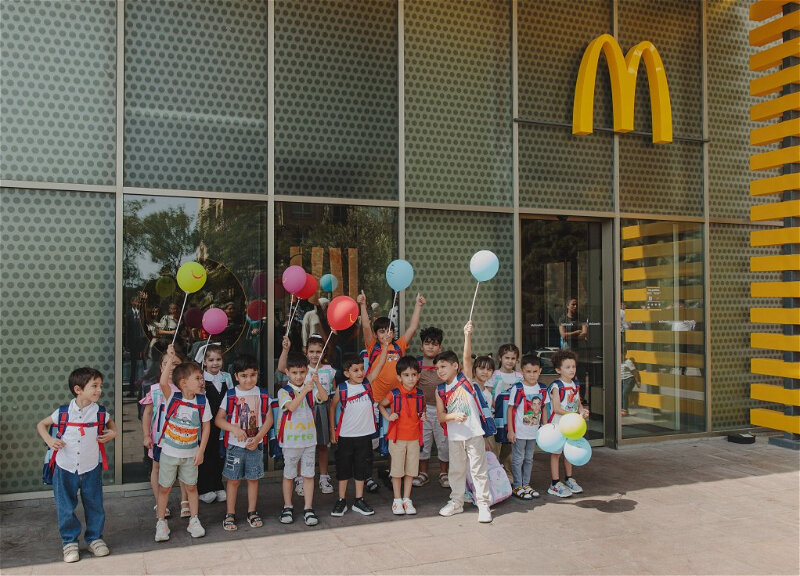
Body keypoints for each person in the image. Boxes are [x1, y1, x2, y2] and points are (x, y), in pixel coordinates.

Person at [37, 367, 117, 563]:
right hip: (65, 467)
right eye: (94, 386)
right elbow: (41, 424)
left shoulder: (100, 412)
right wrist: (49, 440)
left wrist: (113, 434)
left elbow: (112, 427)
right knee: (65, 506)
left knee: (94, 504)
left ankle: (95, 538)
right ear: (78, 389)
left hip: (91, 467)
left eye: (100, 386)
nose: (99, 390)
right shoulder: (63, 412)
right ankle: (69, 542)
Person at [154, 345, 211, 542]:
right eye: (198, 378)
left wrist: (201, 450)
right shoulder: (173, 397)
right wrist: (169, 358)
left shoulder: (202, 402)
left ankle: (194, 520)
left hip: (190, 454)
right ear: (183, 383)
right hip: (169, 453)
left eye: (201, 378)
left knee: (192, 487)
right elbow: (163, 382)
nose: (201, 381)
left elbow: (206, 428)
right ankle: (161, 522)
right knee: (164, 488)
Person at [215, 354, 273, 531]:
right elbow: (219, 420)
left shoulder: (262, 394)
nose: (249, 380)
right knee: (233, 480)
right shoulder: (231, 395)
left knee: (253, 479)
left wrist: (257, 438)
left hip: (255, 446)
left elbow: (269, 420)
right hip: (235, 446)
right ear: (236, 377)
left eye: (253, 375)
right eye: (244, 376)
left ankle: (252, 511)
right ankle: (230, 513)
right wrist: (234, 429)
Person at [434, 350, 492, 523]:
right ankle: (457, 502)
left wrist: (467, 335)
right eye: (437, 368)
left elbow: (467, 357)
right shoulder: (440, 389)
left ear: (455, 366)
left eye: (443, 366)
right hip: (455, 437)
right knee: (456, 471)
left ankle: (483, 505)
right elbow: (440, 416)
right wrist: (453, 416)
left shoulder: (464, 380)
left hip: (474, 433)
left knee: (478, 471)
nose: (440, 371)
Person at [279, 334, 337, 497]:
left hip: (322, 409)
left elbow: (329, 393)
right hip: (305, 410)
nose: (315, 355)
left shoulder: (329, 370)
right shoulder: (303, 369)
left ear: (324, 352)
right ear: (306, 352)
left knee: (322, 445)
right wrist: (286, 349)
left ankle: (324, 477)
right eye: (311, 351)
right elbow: (282, 367)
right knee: (301, 447)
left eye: (318, 351)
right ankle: (299, 479)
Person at [277, 354, 329, 526]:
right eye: (294, 373)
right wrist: (305, 390)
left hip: (309, 441)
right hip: (291, 442)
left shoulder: (310, 388)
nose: (298, 376)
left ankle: (308, 508)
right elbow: (291, 407)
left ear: (307, 371)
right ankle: (288, 506)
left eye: (301, 372)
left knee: (308, 475)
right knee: (289, 475)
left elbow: (324, 397)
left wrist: (317, 383)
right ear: (287, 373)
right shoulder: (284, 391)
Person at [139, 354, 189, 519]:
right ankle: (161, 502)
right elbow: (147, 414)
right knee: (157, 468)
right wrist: (146, 435)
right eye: (167, 363)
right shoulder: (155, 390)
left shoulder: (186, 389)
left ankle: (185, 501)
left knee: (183, 469)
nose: (171, 367)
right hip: (159, 438)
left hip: (181, 438)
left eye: (175, 363)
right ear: (161, 367)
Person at [328, 354, 378, 517]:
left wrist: (385, 347)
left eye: (362, 369)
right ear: (347, 373)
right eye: (355, 370)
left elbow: (379, 366)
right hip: (345, 436)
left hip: (364, 436)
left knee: (361, 468)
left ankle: (359, 499)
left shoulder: (367, 384)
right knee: (343, 469)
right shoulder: (342, 388)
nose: (360, 373)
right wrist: (332, 429)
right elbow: (332, 407)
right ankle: (341, 500)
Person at [379, 356, 426, 515]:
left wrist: (423, 415)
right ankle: (397, 500)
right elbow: (381, 405)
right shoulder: (394, 393)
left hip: (414, 438)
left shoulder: (420, 394)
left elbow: (421, 410)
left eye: (414, 374)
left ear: (418, 375)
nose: (411, 378)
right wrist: (388, 416)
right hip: (397, 438)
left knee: (411, 471)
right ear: (399, 377)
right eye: (406, 375)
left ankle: (407, 499)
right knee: (397, 471)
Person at [547, 349, 589, 498]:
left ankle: (569, 479)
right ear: (558, 369)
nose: (572, 370)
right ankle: (555, 483)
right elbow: (557, 408)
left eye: (573, 366)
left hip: (572, 425)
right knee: (556, 453)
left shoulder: (575, 384)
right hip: (558, 425)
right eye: (567, 367)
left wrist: (582, 411)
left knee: (569, 453)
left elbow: (578, 403)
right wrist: (574, 415)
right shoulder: (556, 386)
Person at [506, 355, 549, 499]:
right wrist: (511, 430)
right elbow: (510, 409)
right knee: (518, 459)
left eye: (535, 371)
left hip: (533, 432)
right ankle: (517, 486)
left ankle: (526, 484)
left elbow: (543, 408)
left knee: (529, 458)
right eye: (528, 371)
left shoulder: (542, 389)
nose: (532, 375)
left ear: (540, 371)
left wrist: (545, 427)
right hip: (519, 432)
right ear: (522, 371)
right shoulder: (518, 388)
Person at [414, 326, 449, 489]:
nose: (430, 347)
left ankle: (444, 473)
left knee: (443, 443)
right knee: (424, 442)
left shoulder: (443, 364)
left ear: (440, 347)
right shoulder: (417, 364)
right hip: (423, 411)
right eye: (427, 343)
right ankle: (423, 473)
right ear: (421, 346)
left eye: (434, 344)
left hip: (443, 410)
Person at [197, 345, 234, 504]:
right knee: (206, 454)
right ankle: (204, 488)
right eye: (211, 360)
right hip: (206, 423)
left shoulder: (226, 377)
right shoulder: (201, 378)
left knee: (220, 454)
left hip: (223, 422)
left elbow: (232, 395)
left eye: (218, 359)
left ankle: (218, 485)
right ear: (204, 362)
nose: (215, 363)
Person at [462, 321, 497, 455]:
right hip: (475, 432)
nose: (485, 372)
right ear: (474, 369)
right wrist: (467, 336)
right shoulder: (472, 385)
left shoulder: (488, 391)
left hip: (488, 429)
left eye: (489, 369)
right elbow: (466, 359)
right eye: (481, 368)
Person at [487, 343, 521, 477]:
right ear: (500, 358)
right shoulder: (494, 375)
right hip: (497, 416)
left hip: (513, 419)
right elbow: (488, 394)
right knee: (496, 445)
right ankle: (494, 475)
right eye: (507, 358)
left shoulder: (519, 377)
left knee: (509, 447)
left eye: (513, 358)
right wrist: (498, 408)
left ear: (517, 360)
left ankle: (508, 474)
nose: (510, 361)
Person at [620, 351, 640, 416]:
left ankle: (625, 409)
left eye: (621, 354)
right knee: (620, 394)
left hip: (629, 379)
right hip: (621, 379)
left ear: (624, 354)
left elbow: (634, 372)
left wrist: (637, 381)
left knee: (624, 393)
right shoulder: (617, 361)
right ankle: (622, 409)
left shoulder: (628, 362)